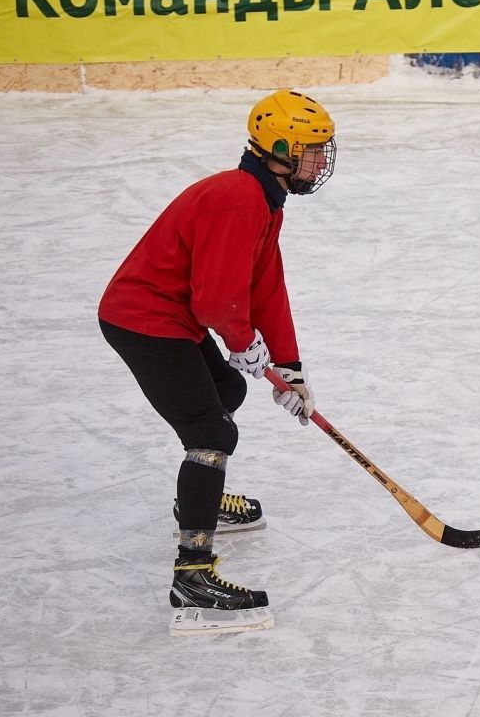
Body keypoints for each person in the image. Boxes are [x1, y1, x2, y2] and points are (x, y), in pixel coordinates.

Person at [98, 88, 335, 615]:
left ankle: (197, 498)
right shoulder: (239, 198)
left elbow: (265, 284)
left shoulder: (263, 197)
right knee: (212, 432)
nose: (322, 161)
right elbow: (217, 301)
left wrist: (289, 366)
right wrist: (245, 343)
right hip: (144, 320)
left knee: (226, 388)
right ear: (281, 149)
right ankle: (192, 574)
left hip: (170, 317)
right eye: (313, 150)